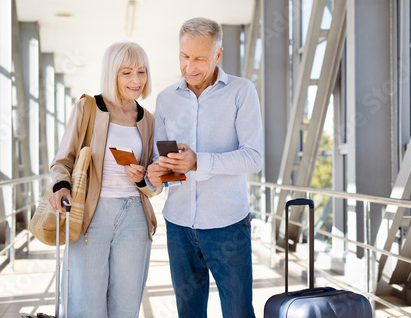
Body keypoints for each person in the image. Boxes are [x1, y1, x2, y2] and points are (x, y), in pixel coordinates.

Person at [147, 17, 263, 318]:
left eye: (200, 58)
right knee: (189, 312)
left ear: (218, 55)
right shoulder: (165, 99)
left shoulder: (242, 91)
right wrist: (155, 175)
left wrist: (199, 161)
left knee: (238, 313)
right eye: (185, 56)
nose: (190, 67)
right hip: (179, 224)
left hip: (228, 225)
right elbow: (163, 169)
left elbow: (253, 157)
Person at [48, 41, 160, 318]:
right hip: (91, 216)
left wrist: (143, 177)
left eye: (142, 72)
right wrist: (61, 186)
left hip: (134, 216)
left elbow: (155, 184)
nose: (136, 80)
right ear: (112, 74)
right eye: (127, 72)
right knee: (86, 303)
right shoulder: (88, 107)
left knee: (126, 304)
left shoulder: (148, 120)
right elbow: (63, 159)